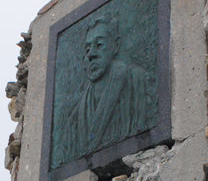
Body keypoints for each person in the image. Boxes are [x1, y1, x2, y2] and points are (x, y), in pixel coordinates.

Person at [58, 16, 153, 163]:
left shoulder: (137, 81)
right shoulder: (76, 118)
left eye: (99, 44)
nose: (91, 54)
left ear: (115, 46)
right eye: (87, 49)